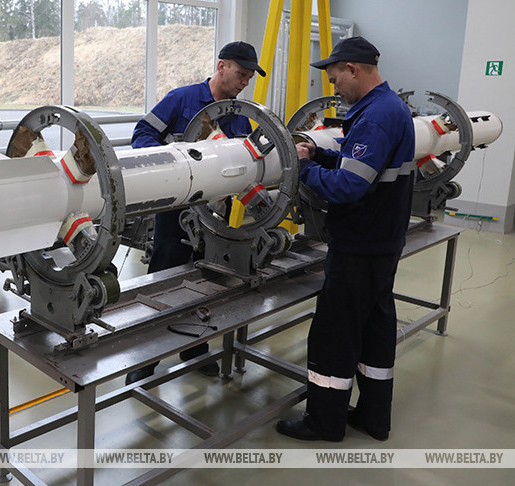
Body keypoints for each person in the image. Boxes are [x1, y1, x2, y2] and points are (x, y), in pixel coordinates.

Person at [275, 37, 416, 441]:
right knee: (374, 327)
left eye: (335, 78)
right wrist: (322, 156)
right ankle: (373, 416)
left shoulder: (374, 116)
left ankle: (324, 420)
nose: (333, 87)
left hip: (360, 243)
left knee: (335, 332)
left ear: (353, 69)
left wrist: (305, 170)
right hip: (383, 239)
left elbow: (349, 186)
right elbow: (365, 166)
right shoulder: (391, 108)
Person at [126, 41, 266, 385]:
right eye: (241, 73)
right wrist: (174, 164)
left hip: (215, 214)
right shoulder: (182, 99)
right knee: (164, 281)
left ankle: (194, 347)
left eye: (249, 77)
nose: (245, 82)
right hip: (177, 211)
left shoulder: (239, 115)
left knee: (205, 279)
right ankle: (148, 357)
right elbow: (142, 135)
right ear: (221, 66)